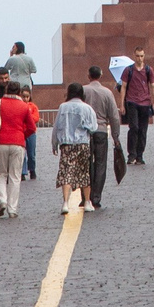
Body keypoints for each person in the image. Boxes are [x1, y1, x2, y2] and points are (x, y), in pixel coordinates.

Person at [0, 80, 38, 219]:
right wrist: (22, 135)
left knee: (0, 174)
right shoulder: (23, 106)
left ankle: (2, 200)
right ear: (19, 92)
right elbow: (32, 127)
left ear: (6, 90)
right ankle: (12, 209)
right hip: (17, 143)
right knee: (15, 177)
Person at [53, 81, 99, 217]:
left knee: (66, 172)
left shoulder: (63, 107)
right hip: (83, 143)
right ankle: (87, 202)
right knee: (84, 172)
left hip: (66, 144)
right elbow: (93, 127)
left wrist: (54, 143)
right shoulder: (87, 108)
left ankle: (65, 203)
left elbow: (57, 126)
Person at [82, 66, 121, 210]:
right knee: (100, 164)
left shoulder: (83, 91)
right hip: (101, 131)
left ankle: (85, 196)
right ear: (101, 75)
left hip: (85, 132)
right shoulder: (107, 93)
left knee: (85, 164)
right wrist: (115, 137)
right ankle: (96, 197)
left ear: (88, 75)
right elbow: (114, 117)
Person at [123, 50, 154, 165]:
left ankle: (139, 155)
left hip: (145, 103)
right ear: (134, 56)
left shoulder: (148, 70)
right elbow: (123, 87)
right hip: (132, 102)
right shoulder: (129, 70)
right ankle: (131, 155)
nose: (140, 58)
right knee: (134, 128)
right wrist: (121, 104)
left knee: (143, 130)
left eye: (141, 56)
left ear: (144, 56)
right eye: (137, 56)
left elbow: (153, 86)